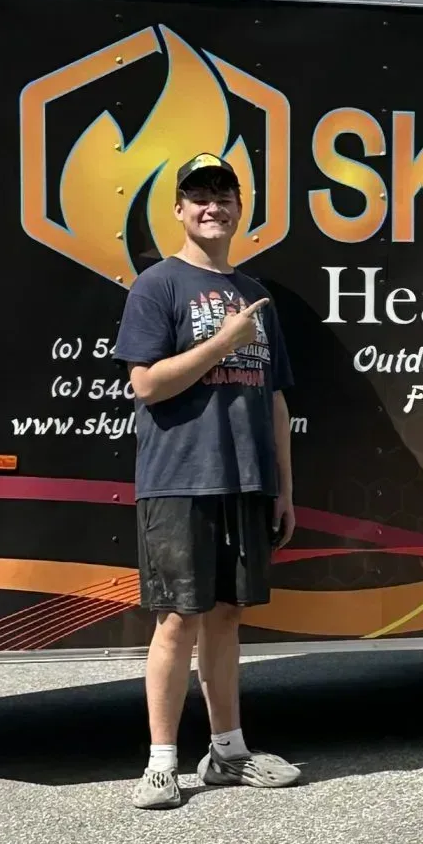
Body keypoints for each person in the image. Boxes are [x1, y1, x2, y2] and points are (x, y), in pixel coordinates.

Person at [115, 153, 301, 808]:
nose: (211, 207)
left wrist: (282, 486)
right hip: (178, 479)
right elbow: (145, 384)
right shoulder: (157, 286)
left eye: (223, 195)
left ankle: (229, 753)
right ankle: (161, 763)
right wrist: (221, 343)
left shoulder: (257, 298)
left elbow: (276, 399)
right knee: (177, 620)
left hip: (245, 480)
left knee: (226, 618)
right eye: (198, 196)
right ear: (178, 208)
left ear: (238, 208)